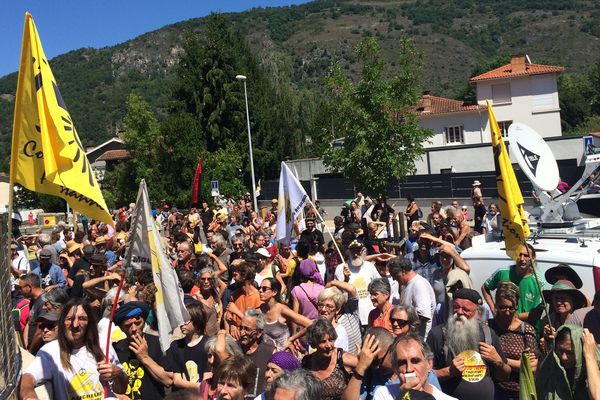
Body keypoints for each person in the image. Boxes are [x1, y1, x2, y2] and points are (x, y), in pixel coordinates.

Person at [19, 298, 127, 399]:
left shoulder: (102, 343)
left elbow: (121, 389)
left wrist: (118, 374)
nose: (75, 325)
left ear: (89, 323)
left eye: (81, 318)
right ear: (62, 322)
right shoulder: (50, 351)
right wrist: (29, 396)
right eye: (70, 319)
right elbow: (27, 378)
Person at [426, 288, 510, 400]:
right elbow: (424, 376)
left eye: (466, 309)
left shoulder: (488, 334)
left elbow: (505, 376)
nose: (459, 312)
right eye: (456, 307)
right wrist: (448, 372)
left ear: (478, 313)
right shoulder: (437, 334)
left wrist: (498, 361)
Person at [488, 282, 540, 399]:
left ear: (517, 306)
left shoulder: (526, 330)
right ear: (496, 305)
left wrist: (499, 359)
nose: (507, 312)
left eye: (511, 308)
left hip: (519, 392)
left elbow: (532, 367)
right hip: (493, 389)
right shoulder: (488, 327)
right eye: (502, 307)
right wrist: (519, 364)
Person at [113, 301, 172, 399]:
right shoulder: (116, 348)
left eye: (137, 323)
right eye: (128, 325)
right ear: (121, 328)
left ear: (144, 321)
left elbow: (168, 381)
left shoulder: (158, 343)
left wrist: (144, 357)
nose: (134, 328)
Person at [372, 332, 457, 400]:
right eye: (402, 363)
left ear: (429, 364)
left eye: (415, 361)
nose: (409, 369)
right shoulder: (383, 394)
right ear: (395, 369)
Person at [482, 243, 546, 322]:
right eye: (519, 254)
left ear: (533, 258)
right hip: (501, 324)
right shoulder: (502, 272)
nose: (522, 258)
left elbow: (537, 313)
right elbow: (485, 287)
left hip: (524, 328)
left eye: (526, 255)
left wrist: (514, 316)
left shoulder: (538, 282)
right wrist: (493, 309)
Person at [536, 325, 600, 400]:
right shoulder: (549, 367)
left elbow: (597, 396)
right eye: (560, 351)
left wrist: (589, 356)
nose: (564, 357)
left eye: (570, 352)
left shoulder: (595, 363)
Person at [302, 318, 358, 400]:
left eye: (331, 340)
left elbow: (365, 367)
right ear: (313, 343)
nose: (329, 345)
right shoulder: (307, 361)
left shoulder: (342, 358)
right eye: (323, 341)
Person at [334, 241, 381, 328]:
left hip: (370, 314)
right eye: (353, 251)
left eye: (358, 251)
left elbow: (380, 286)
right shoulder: (340, 268)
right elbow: (337, 293)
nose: (355, 254)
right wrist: (345, 279)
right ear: (348, 252)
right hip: (350, 317)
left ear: (363, 252)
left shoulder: (370, 267)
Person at [167, 301, 210, 392]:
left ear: (197, 320)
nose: (182, 324)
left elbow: (207, 378)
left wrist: (203, 387)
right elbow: (177, 380)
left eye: (185, 320)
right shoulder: (176, 346)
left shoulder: (208, 344)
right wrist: (199, 386)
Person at [388, 258, 436, 339]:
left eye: (395, 275)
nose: (394, 279)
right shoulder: (405, 285)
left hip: (421, 339)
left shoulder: (418, 284)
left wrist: (403, 323)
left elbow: (423, 315)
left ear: (403, 271)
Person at [538, 280, 587, 352]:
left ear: (573, 301)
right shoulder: (550, 320)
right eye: (556, 298)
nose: (558, 302)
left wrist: (558, 339)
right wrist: (546, 339)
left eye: (563, 298)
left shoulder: (581, 320)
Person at [238, 309, 276, 396]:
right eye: (241, 328)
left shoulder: (270, 352)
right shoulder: (235, 349)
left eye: (247, 329)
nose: (242, 332)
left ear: (259, 333)